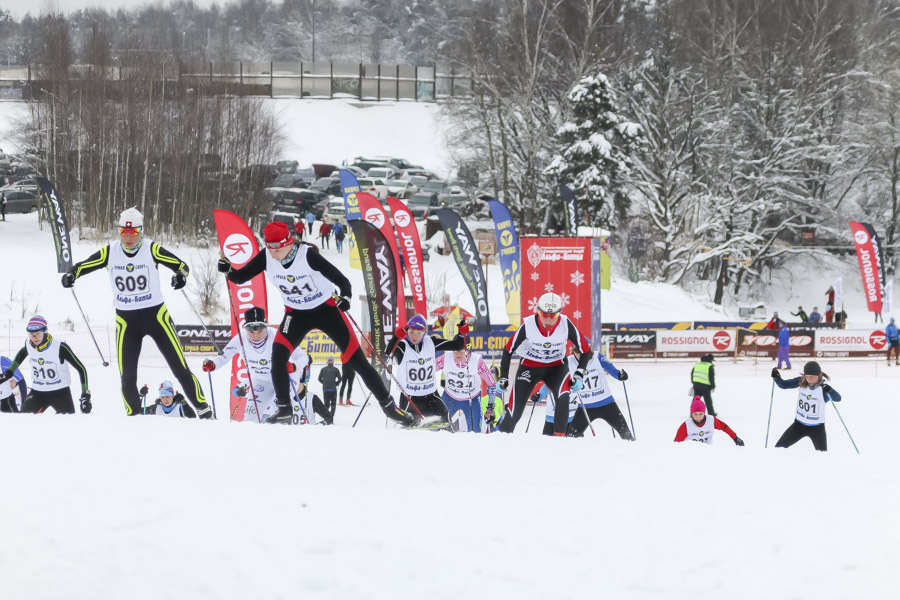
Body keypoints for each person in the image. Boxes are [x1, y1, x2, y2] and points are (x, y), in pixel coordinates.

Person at [218, 220, 416, 425]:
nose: (273, 254)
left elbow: (342, 281)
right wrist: (228, 269)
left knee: (357, 361)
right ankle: (284, 408)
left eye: (277, 249)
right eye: (269, 248)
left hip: (326, 311)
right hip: (296, 314)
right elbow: (240, 277)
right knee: (278, 356)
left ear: (288, 243)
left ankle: (390, 408)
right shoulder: (267, 256)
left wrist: (346, 298)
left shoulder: (307, 256)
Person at [61, 207, 212, 418]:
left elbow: (182, 265)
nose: (128, 237)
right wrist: (71, 274)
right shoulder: (110, 251)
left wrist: (180, 276)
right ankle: (134, 419)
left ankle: (204, 411)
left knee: (180, 368)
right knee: (127, 377)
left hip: (156, 317)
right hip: (127, 322)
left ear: (141, 231)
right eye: (124, 232)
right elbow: (84, 266)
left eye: (133, 233)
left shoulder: (151, 249)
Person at [496, 292, 593, 435]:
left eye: (553, 316)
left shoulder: (565, 324)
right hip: (530, 367)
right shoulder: (528, 324)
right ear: (538, 311)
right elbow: (508, 350)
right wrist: (504, 377)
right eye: (544, 315)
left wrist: (579, 374)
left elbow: (585, 350)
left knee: (563, 397)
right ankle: (500, 441)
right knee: (515, 410)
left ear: (559, 313)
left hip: (556, 368)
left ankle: (559, 442)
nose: (548, 320)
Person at [203, 307, 311, 423]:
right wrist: (212, 364)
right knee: (250, 419)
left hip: (284, 379)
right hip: (260, 381)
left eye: (260, 331)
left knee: (278, 414)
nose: (256, 336)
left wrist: (294, 366)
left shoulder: (277, 336)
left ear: (266, 326)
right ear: (245, 328)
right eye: (251, 331)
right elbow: (223, 357)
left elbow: (303, 357)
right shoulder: (241, 338)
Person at [385, 313, 467, 423]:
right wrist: (396, 337)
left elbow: (457, 346)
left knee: (446, 420)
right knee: (409, 427)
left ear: (424, 332)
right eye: (412, 332)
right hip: (409, 398)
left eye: (419, 333)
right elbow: (388, 352)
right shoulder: (403, 346)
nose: (415, 336)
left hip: (430, 396)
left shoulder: (431, 342)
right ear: (407, 331)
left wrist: (461, 334)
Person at [0, 316, 91, 415]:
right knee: (24, 420)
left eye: (37, 334)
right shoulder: (29, 344)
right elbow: (20, 355)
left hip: (60, 393)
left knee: (68, 425)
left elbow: (81, 368)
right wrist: (9, 373)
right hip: (38, 392)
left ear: (45, 332)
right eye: (30, 334)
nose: (34, 337)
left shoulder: (59, 347)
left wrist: (85, 395)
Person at [771, 361, 840, 451]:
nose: (809, 379)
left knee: (823, 454)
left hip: (817, 428)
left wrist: (830, 390)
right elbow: (784, 385)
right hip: (798, 426)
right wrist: (777, 378)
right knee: (778, 448)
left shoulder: (823, 388)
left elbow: (838, 398)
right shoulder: (801, 381)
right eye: (807, 376)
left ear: (819, 375)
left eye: (812, 377)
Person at [567, 347, 633, 439]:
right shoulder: (569, 361)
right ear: (573, 352)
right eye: (578, 353)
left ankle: (631, 451)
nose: (581, 356)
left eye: (584, 353)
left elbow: (612, 370)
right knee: (572, 435)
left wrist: (620, 375)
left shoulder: (597, 357)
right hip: (585, 407)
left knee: (625, 433)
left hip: (606, 404)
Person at [436, 345, 497, 433]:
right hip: (450, 398)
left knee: (476, 431)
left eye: (461, 351)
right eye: (455, 350)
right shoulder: (446, 358)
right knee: (438, 428)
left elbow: (492, 383)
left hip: (472, 400)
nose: (458, 354)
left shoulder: (477, 361)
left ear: (468, 351)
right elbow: (428, 369)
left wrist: (490, 407)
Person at [674, 397, 744, 445]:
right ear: (691, 414)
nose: (698, 417)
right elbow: (676, 444)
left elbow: (724, 427)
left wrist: (735, 438)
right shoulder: (686, 425)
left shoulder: (711, 420)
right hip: (691, 455)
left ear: (704, 413)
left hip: (708, 454)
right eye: (695, 414)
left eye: (700, 414)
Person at [318, 356, 341, 422]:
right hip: (333, 389)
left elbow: (319, 378)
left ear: (328, 361)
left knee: (326, 404)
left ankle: (326, 417)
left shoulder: (323, 369)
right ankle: (331, 417)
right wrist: (335, 384)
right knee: (333, 405)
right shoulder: (336, 369)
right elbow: (340, 379)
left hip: (325, 389)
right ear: (333, 362)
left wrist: (324, 383)